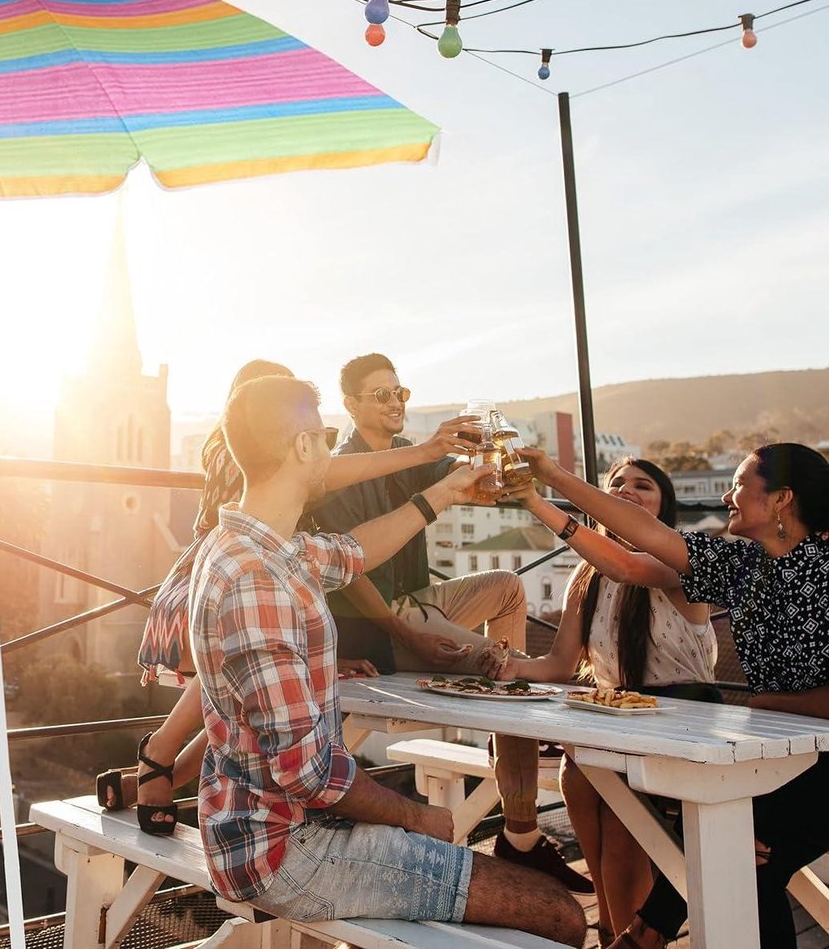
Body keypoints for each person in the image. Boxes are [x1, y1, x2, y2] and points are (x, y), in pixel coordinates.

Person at [186, 374, 586, 942]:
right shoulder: (259, 581)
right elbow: (306, 773)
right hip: (288, 851)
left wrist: (447, 491)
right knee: (558, 914)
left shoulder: (254, 547)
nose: (330, 447)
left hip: (251, 825)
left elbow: (353, 552)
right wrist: (418, 817)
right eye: (322, 436)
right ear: (303, 447)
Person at [98, 358, 478, 835]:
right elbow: (333, 474)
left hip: (266, 564)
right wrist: (423, 453)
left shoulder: (261, 479)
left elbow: (344, 539)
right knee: (232, 685)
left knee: (238, 706)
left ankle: (161, 772)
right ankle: (158, 755)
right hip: (227, 571)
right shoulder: (238, 456)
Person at [519, 442, 829, 949]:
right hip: (787, 758)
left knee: (737, 851)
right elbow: (635, 550)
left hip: (812, 766)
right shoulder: (745, 565)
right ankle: (643, 934)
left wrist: (770, 704)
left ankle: (641, 935)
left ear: (780, 500)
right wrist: (552, 481)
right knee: (741, 857)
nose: (728, 496)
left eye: (739, 485)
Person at [313, 353, 593, 892]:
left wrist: (494, 468)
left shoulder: (404, 454)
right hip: (376, 620)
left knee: (508, 587)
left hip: (419, 600)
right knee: (504, 673)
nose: (395, 403)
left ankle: (506, 693)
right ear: (350, 405)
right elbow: (348, 574)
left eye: (401, 393)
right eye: (381, 396)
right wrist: (408, 635)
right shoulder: (344, 467)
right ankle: (522, 825)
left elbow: (460, 479)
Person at [502, 457, 719, 945]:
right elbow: (559, 664)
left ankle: (629, 934)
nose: (626, 490)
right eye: (616, 483)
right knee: (576, 777)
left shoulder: (678, 563)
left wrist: (537, 499)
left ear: (663, 508)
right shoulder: (586, 575)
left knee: (622, 820)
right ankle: (609, 926)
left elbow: (624, 564)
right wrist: (510, 666)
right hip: (611, 718)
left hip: (680, 719)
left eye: (643, 486)